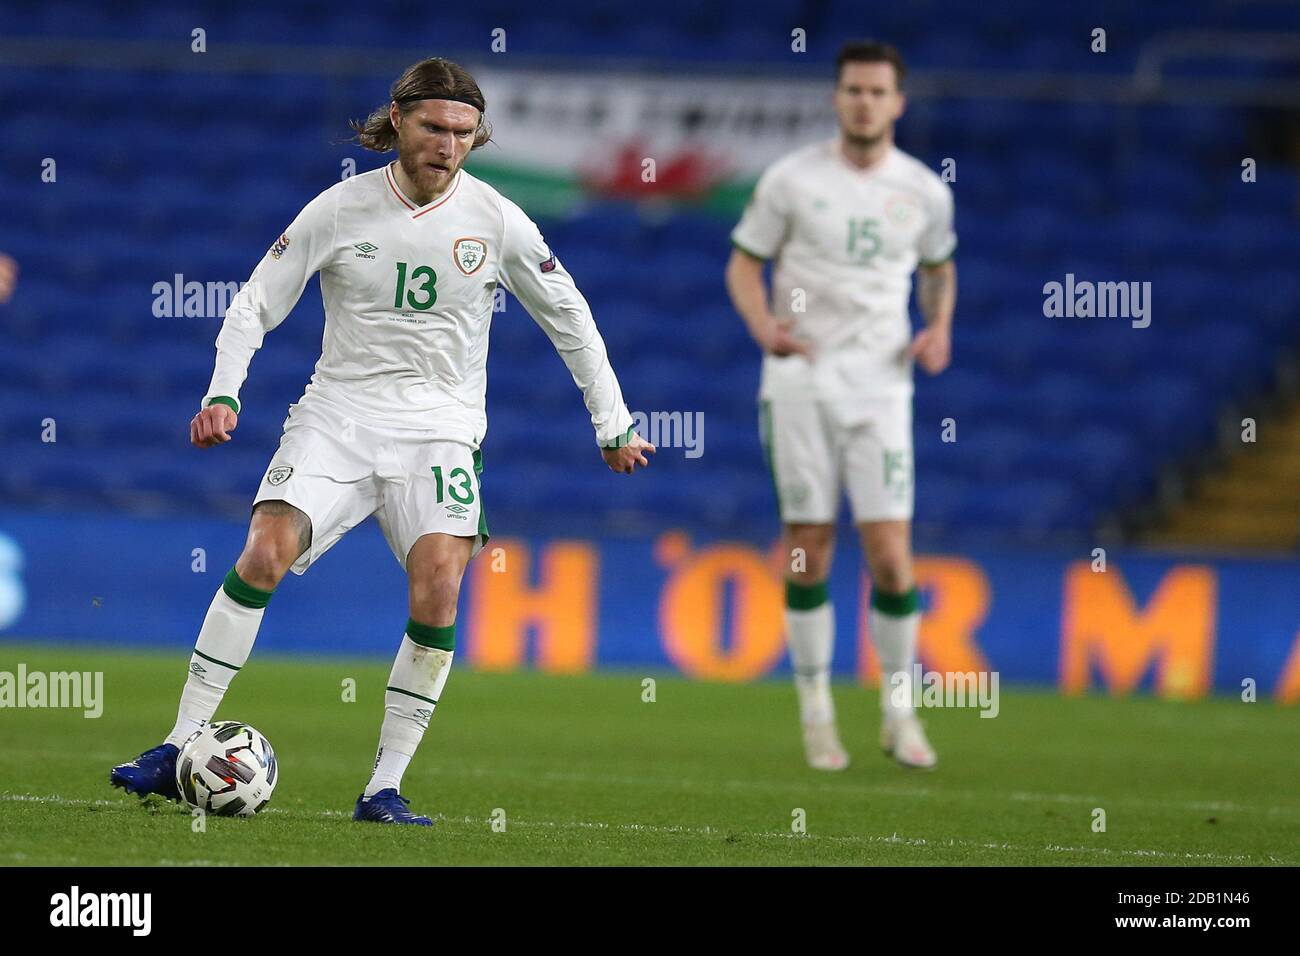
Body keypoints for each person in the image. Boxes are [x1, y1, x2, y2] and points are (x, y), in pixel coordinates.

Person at [111, 57, 655, 823]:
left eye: (465, 132)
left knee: (440, 583)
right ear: (398, 120)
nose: (449, 144)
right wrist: (224, 391)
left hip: (440, 430)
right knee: (264, 553)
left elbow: (570, 317)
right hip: (337, 415)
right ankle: (176, 745)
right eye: (435, 126)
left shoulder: (496, 219)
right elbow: (255, 301)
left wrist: (613, 422)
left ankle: (382, 788)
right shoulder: (340, 209)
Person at [725, 40, 957, 771]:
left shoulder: (924, 189)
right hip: (801, 385)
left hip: (882, 387)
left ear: (898, 102)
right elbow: (744, 262)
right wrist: (765, 328)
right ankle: (817, 713)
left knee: (892, 558)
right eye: (853, 89)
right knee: (808, 547)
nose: (864, 101)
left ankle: (899, 714)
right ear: (837, 98)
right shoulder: (793, 179)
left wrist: (939, 328)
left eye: (877, 91)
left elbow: (939, 269)